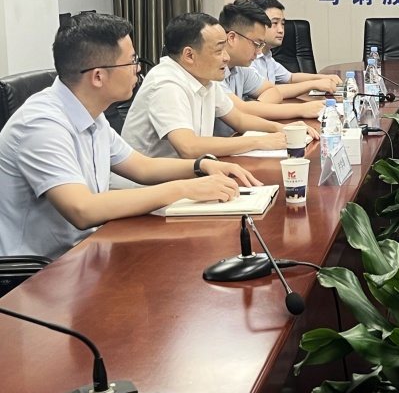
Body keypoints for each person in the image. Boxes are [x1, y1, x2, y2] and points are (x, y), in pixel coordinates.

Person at [0, 13, 260, 260]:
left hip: (89, 250)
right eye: (132, 61)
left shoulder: (91, 113)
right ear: (98, 76)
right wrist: (184, 188)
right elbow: (82, 209)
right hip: (39, 273)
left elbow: (142, 167)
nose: (138, 69)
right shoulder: (41, 125)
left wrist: (201, 165)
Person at [122, 13, 307, 159]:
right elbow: (188, 147)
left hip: (186, 177)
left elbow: (240, 120)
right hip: (149, 189)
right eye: (219, 51)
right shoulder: (166, 83)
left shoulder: (205, 78)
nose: (226, 57)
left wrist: (282, 129)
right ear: (189, 55)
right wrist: (259, 141)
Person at [216, 0, 327, 130]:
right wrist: (302, 109)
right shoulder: (212, 72)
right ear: (232, 38)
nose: (258, 51)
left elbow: (273, 91)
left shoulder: (240, 69)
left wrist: (257, 108)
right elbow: (240, 110)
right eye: (256, 44)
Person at [249, 0, 342, 94]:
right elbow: (266, 91)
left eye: (283, 24)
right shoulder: (248, 60)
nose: (281, 30)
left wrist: (325, 78)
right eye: (275, 23)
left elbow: (291, 78)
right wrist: (314, 84)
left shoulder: (267, 56)